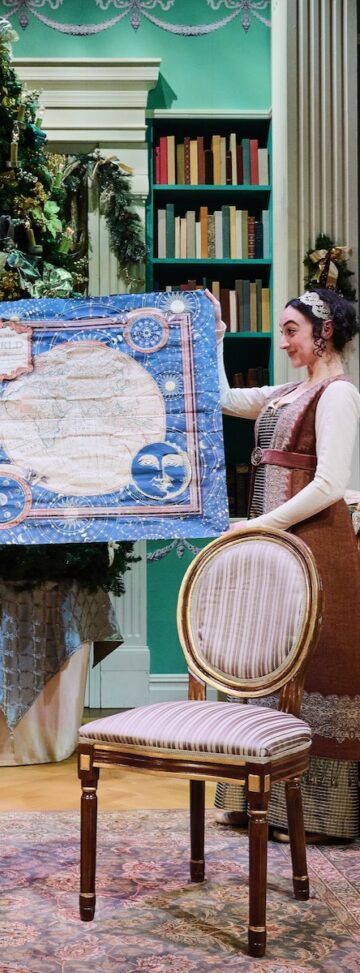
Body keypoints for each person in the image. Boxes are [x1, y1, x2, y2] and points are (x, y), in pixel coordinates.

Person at [208, 285, 360, 843]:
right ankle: (259, 803)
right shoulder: (291, 392)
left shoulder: (338, 395)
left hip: (315, 547)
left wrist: (258, 525)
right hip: (277, 549)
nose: (284, 341)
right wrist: (219, 337)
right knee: (268, 658)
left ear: (324, 332)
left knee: (315, 664)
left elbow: (329, 483)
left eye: (292, 331)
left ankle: (317, 813)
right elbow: (223, 397)